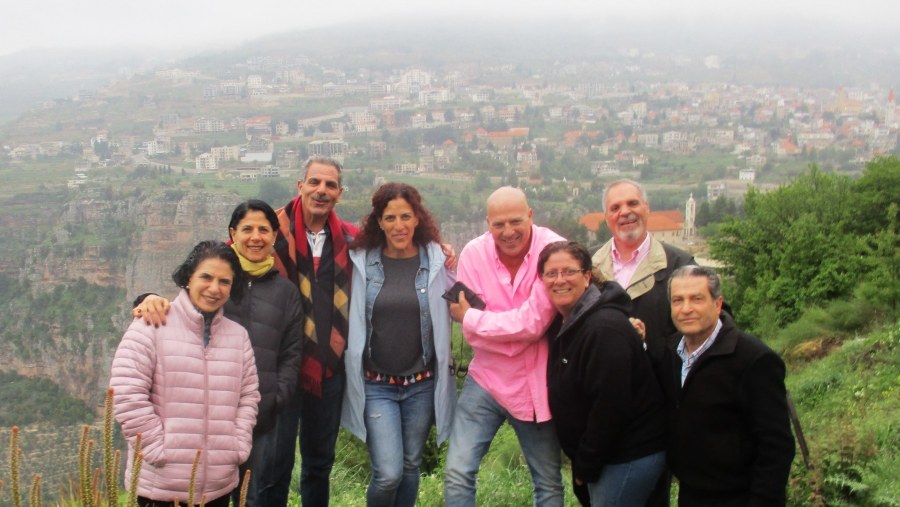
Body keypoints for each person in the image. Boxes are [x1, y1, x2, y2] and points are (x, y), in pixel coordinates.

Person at [133, 201, 304, 506]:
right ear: (232, 233)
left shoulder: (286, 292)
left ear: (275, 236)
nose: (255, 237)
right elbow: (179, 311)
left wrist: (276, 397)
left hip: (260, 415)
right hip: (206, 421)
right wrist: (148, 297)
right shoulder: (217, 279)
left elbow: (292, 353)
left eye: (264, 230)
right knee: (211, 495)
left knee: (256, 494)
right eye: (247, 229)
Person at [111, 241, 260, 507]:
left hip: (218, 487)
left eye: (224, 281)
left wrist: (237, 445)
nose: (214, 288)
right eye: (206, 277)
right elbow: (126, 395)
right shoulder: (151, 325)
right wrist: (158, 449)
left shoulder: (238, 337)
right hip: (161, 487)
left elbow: (249, 396)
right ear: (188, 278)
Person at [444, 186, 565, 507]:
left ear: (530, 216)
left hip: (535, 383)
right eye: (499, 225)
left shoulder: (554, 250)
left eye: (515, 222)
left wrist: (473, 320)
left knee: (548, 481)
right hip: (486, 377)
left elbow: (534, 324)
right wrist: (513, 331)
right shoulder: (473, 254)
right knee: (457, 471)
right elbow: (475, 337)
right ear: (488, 223)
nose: (508, 232)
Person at [341, 182, 456, 507]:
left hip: (421, 385)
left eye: (406, 216)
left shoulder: (435, 262)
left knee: (409, 467)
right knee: (388, 472)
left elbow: (466, 296)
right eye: (390, 218)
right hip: (377, 385)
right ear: (378, 221)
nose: (399, 225)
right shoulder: (361, 263)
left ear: (418, 218)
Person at [539, 241, 666, 506]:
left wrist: (585, 465)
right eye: (551, 273)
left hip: (626, 455)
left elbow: (610, 406)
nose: (559, 280)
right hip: (607, 456)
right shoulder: (568, 323)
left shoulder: (603, 328)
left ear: (587, 277)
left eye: (569, 271)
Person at [663, 265, 795, 506]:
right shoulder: (670, 352)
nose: (686, 309)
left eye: (697, 299)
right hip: (691, 494)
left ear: (718, 304)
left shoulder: (753, 359)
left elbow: (776, 447)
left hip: (739, 496)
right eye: (677, 300)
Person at [271, 156, 358, 507]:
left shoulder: (353, 240)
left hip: (329, 368)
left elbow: (403, 247)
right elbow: (219, 266)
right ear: (300, 186)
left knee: (319, 463)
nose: (321, 191)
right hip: (280, 366)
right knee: (274, 463)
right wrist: (154, 297)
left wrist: (441, 251)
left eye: (330, 185)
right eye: (315, 182)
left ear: (339, 194)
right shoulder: (269, 230)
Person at [591, 179, 695, 361]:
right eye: (615, 208)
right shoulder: (587, 265)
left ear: (647, 208)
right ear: (606, 217)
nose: (625, 212)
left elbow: (705, 324)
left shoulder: (680, 265)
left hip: (660, 381)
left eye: (632, 203)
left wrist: (650, 343)